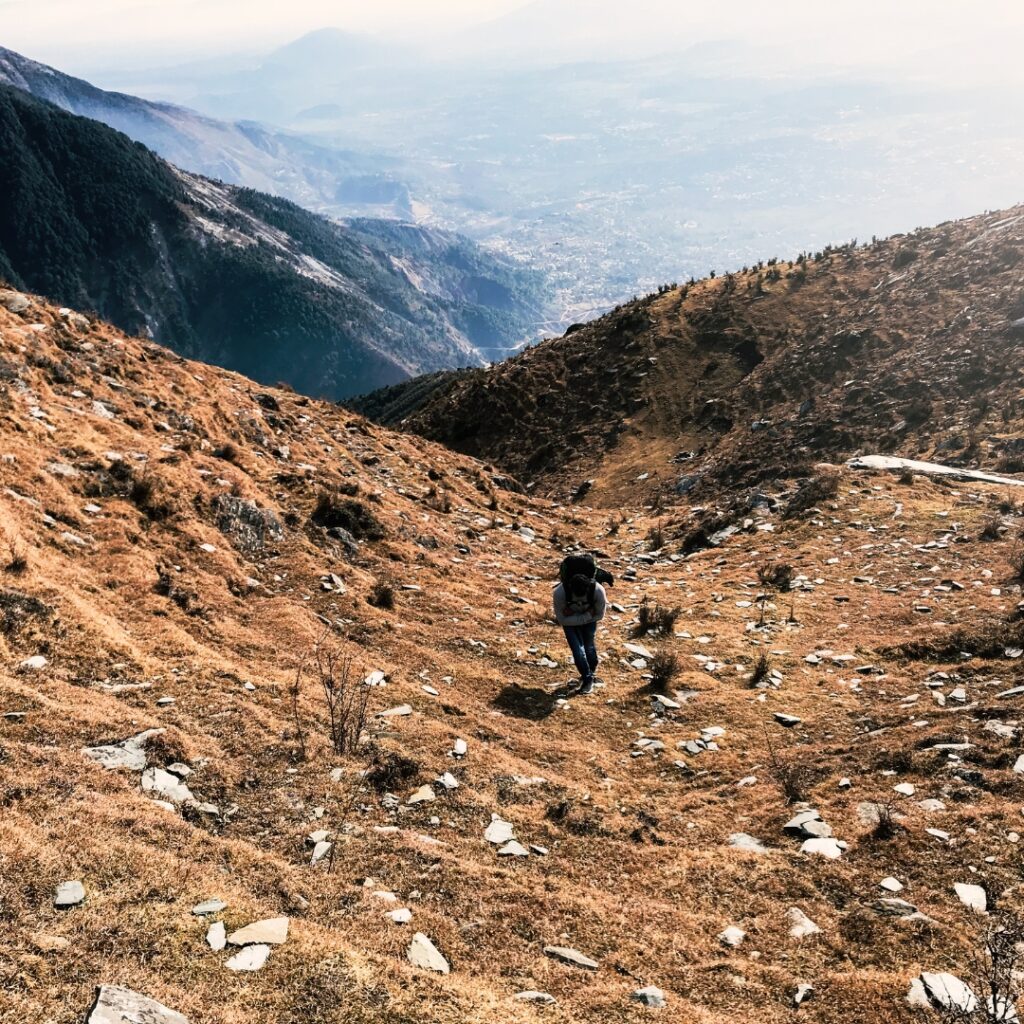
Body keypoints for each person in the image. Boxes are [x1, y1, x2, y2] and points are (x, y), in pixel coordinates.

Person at [553, 569, 607, 695]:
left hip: (579, 622)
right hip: (583, 621)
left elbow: (600, 615)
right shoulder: (560, 593)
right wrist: (586, 615)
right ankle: (587, 678)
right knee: (578, 651)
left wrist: (572, 616)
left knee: (589, 647)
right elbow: (561, 620)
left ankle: (591, 671)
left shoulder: (598, 591)